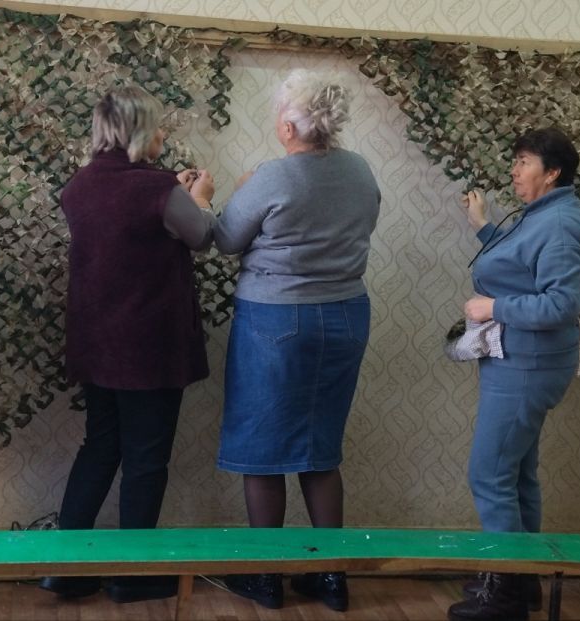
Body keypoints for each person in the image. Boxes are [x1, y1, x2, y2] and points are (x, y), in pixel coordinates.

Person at [39, 85, 216, 605]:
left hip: (97, 344)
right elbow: (202, 236)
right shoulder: (157, 189)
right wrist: (200, 198)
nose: (163, 134)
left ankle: (65, 569)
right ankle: (133, 575)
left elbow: (125, 225)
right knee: (146, 458)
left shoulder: (79, 186)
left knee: (100, 447)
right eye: (158, 125)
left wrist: (174, 192)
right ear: (139, 131)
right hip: (149, 348)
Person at [213, 68, 381, 612]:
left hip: (277, 320)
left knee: (262, 449)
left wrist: (237, 190)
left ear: (288, 125)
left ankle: (266, 577)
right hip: (347, 316)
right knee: (318, 447)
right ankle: (331, 577)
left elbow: (225, 239)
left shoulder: (273, 175)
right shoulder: (360, 170)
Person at [448, 127, 580, 621]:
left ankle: (505, 592)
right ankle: (522, 578)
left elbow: (561, 303)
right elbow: (520, 264)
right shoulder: (542, 215)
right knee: (516, 475)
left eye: (524, 161)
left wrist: (493, 306)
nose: (514, 170)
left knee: (489, 473)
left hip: (527, 365)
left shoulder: (559, 225)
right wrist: (483, 226)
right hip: (520, 360)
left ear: (552, 173)